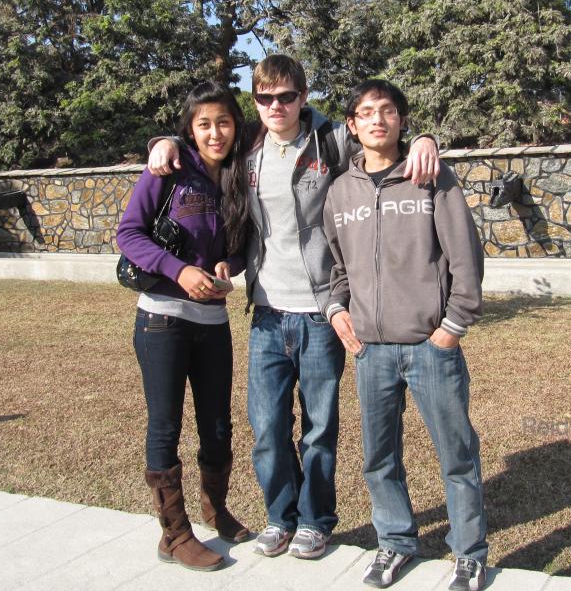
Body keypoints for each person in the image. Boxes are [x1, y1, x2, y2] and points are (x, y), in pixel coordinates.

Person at [147, 55, 439, 561]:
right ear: (255, 102)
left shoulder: (331, 140)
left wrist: (423, 140)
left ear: (303, 97)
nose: (276, 106)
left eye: (286, 96)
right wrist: (162, 142)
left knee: (320, 427)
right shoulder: (247, 148)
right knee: (267, 427)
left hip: (322, 312)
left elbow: (379, 138)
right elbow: (200, 145)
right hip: (266, 313)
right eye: (264, 98)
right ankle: (280, 517)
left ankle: (315, 520)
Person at [322, 80, 488, 591]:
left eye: (387, 111)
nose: (377, 120)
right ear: (352, 125)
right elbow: (336, 266)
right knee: (379, 457)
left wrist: (451, 328)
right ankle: (394, 544)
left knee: (456, 453)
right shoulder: (339, 192)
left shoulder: (431, 178)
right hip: (370, 351)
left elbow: (466, 259)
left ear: (400, 120)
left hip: (429, 347)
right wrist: (336, 309)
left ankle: (469, 553)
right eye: (366, 113)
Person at [116, 82, 251, 572]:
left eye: (224, 122)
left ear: (237, 126)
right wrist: (179, 270)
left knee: (217, 425)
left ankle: (216, 509)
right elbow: (127, 233)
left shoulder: (239, 176)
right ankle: (174, 534)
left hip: (212, 320)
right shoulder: (169, 169)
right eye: (203, 123)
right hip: (162, 321)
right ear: (189, 130)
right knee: (165, 426)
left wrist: (225, 267)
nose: (215, 132)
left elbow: (238, 245)